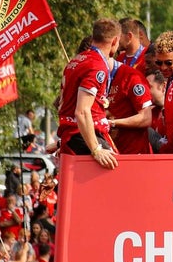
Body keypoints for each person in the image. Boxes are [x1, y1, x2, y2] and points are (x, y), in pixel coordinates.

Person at [57, 18, 119, 169]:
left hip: (74, 135)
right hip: (81, 135)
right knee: (116, 178)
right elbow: (82, 111)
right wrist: (96, 149)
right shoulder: (96, 66)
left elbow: (62, 104)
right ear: (115, 41)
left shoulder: (76, 61)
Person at [106, 35, 155, 155]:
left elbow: (146, 118)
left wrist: (112, 123)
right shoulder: (94, 79)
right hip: (110, 155)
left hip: (134, 156)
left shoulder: (132, 77)